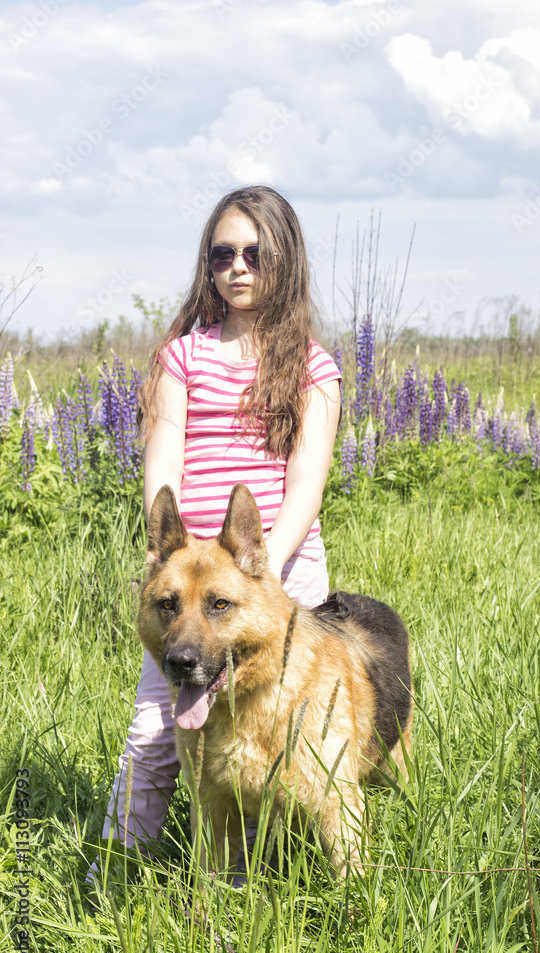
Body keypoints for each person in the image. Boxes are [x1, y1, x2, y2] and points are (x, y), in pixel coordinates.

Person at [100, 185, 341, 856]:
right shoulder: (182, 354)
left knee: (293, 735)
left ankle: (289, 872)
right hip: (188, 577)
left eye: (255, 253)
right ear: (207, 264)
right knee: (157, 732)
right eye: (222, 254)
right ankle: (116, 874)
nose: (238, 266)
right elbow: (164, 455)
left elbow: (305, 483)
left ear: (283, 259)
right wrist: (165, 546)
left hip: (277, 568)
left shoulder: (312, 367)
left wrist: (261, 567)